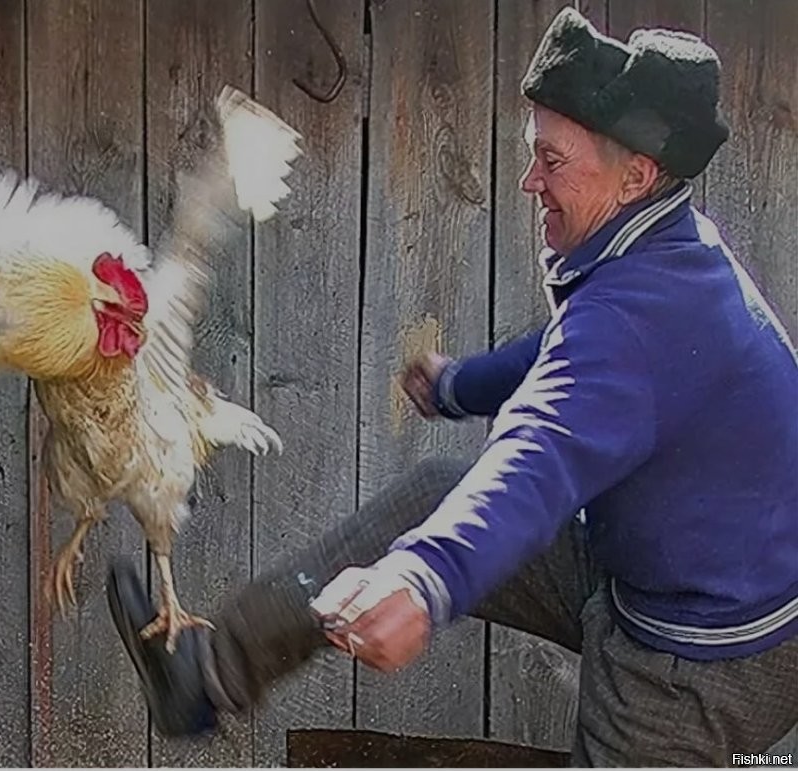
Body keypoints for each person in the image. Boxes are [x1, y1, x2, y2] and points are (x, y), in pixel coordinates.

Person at [106, 8, 798, 766]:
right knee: (434, 490)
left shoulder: (639, 317)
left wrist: (423, 576)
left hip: (701, 657)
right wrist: (463, 384)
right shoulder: (666, 255)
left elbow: (539, 457)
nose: (531, 180)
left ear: (635, 174)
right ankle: (205, 674)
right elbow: (569, 356)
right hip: (656, 574)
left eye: (553, 160)